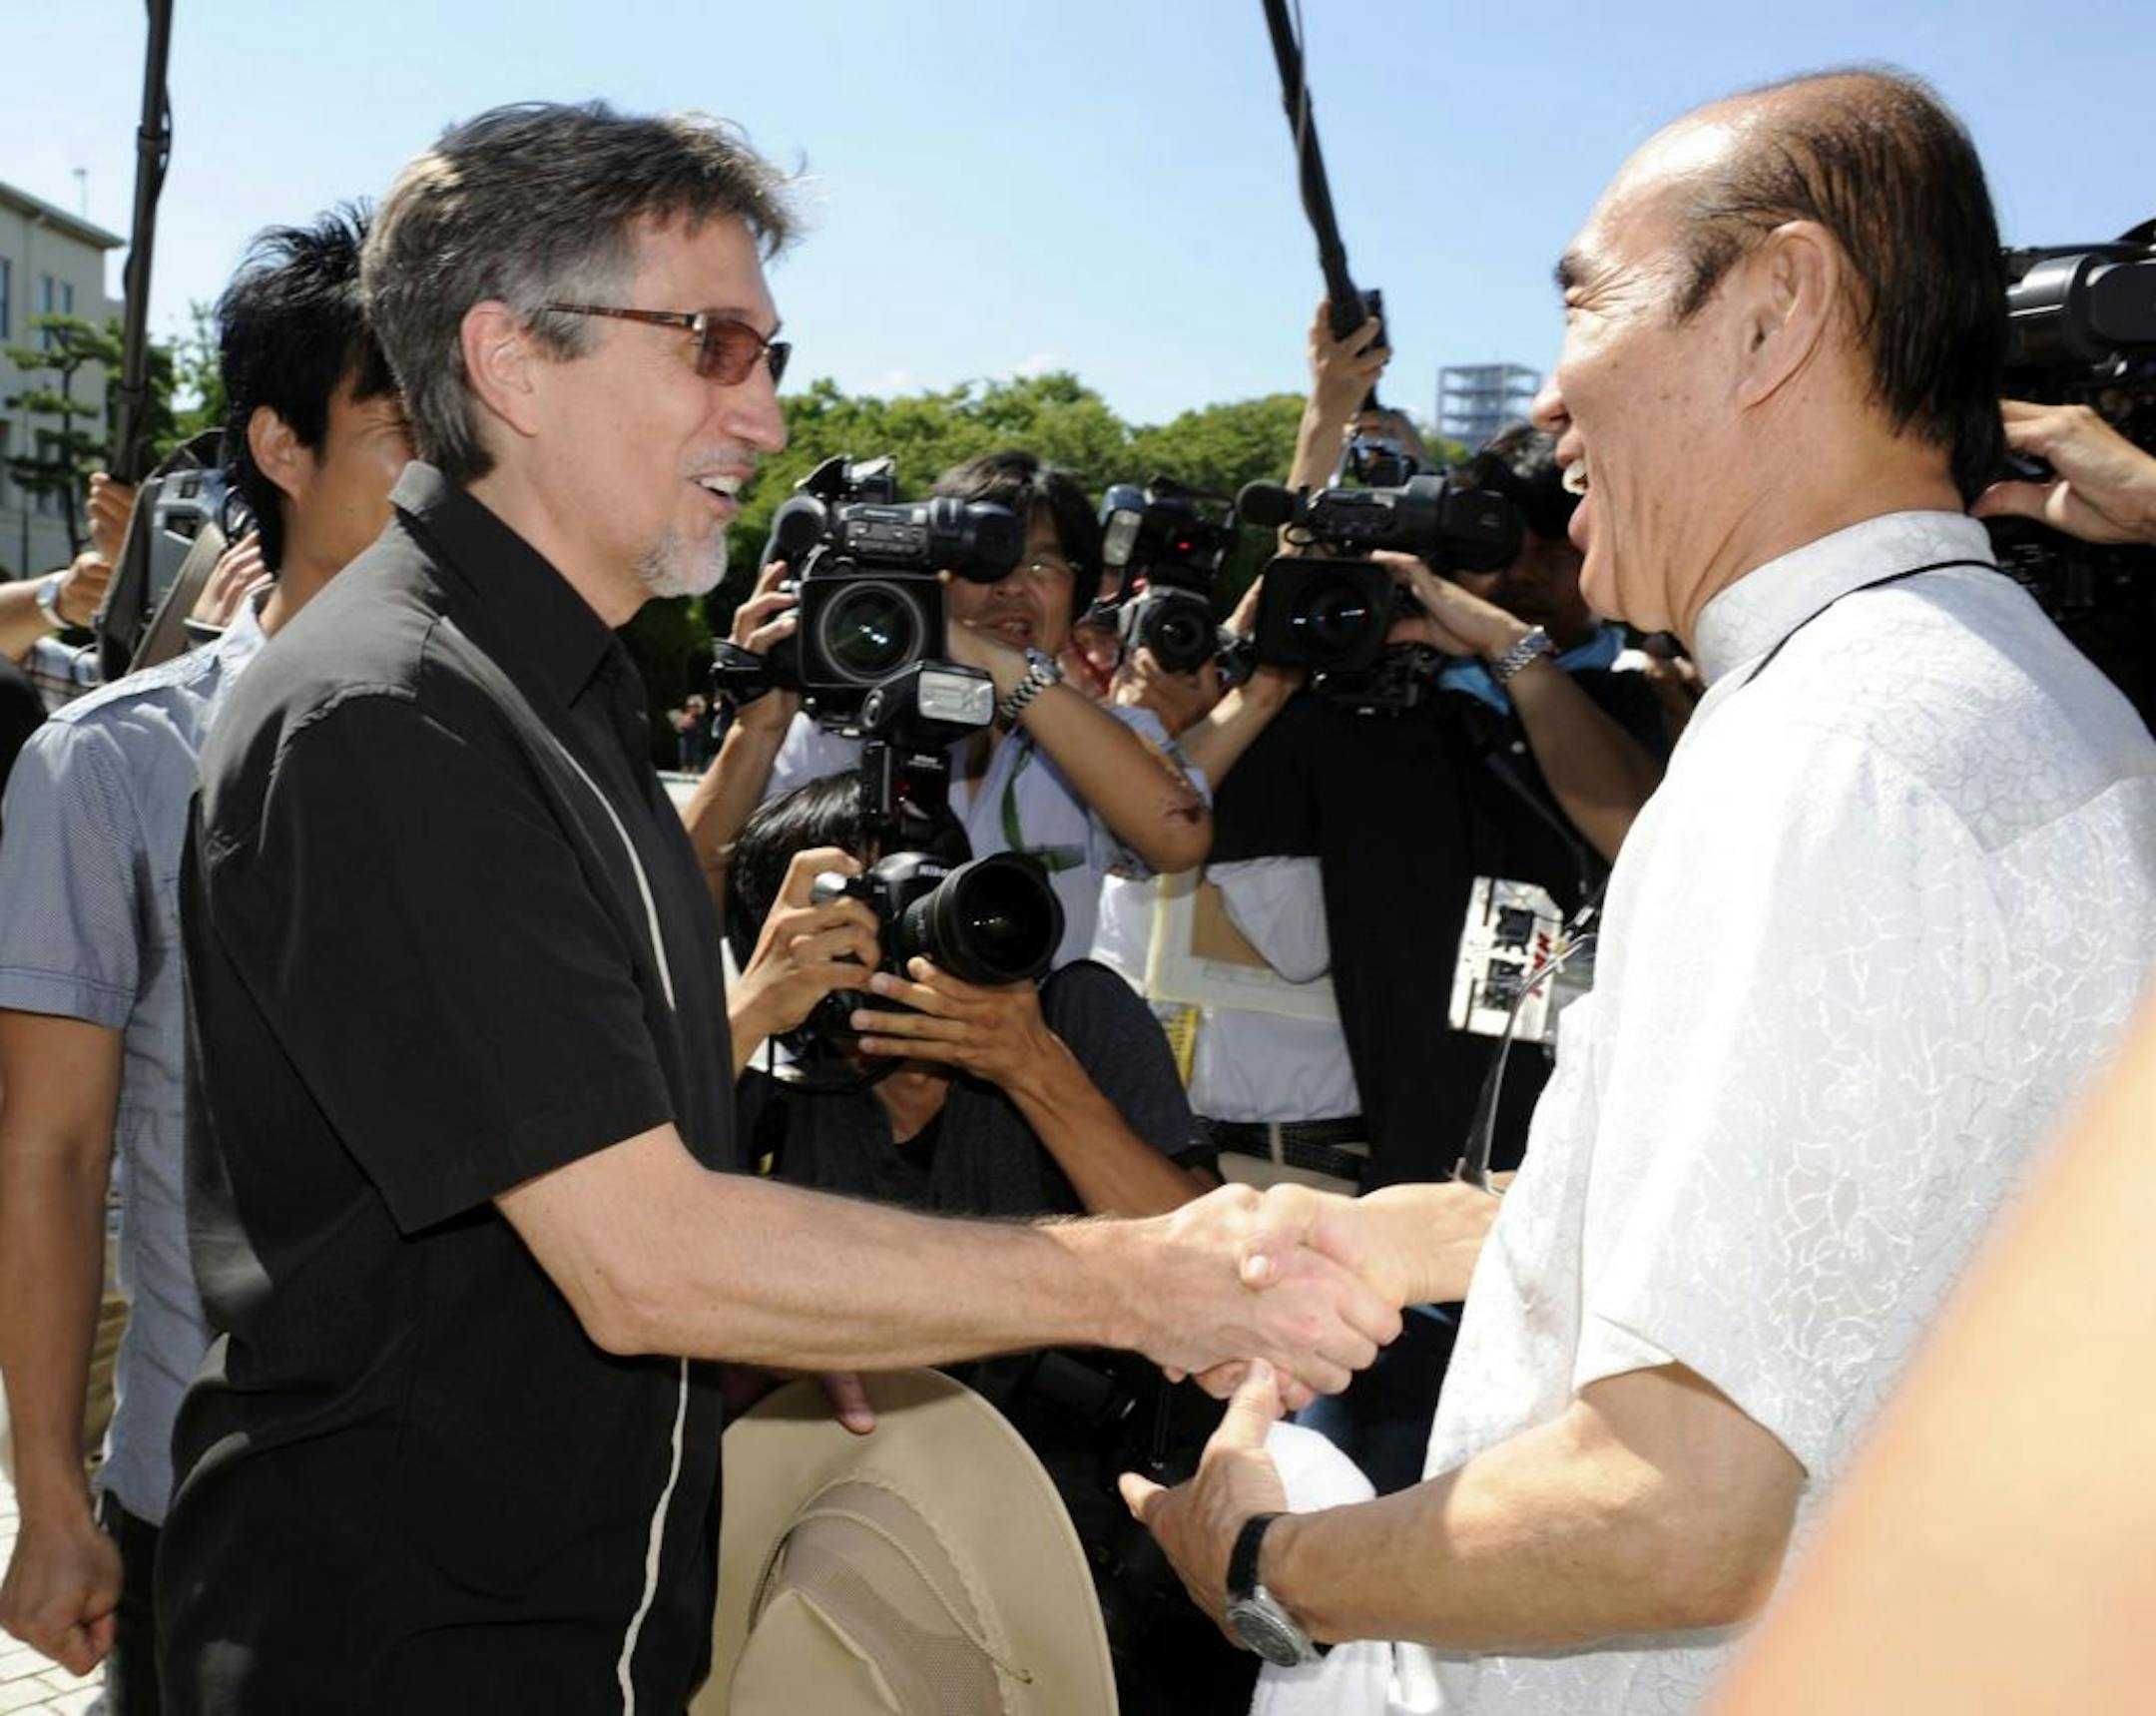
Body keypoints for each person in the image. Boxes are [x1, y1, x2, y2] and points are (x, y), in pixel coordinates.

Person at [158, 101, 1401, 1715]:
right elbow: (643, 1256)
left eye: (772, 352)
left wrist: (826, 1286)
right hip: (404, 1644)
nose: (764, 411)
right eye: (710, 346)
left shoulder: (562, 694)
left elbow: (610, 1200)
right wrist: (1136, 1277)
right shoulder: (392, 716)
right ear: (512, 361)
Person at [1123, 67, 2156, 1715]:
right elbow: (1865, 1225)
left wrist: (1264, 1562)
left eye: (1589, 301)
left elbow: (1677, 1511)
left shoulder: (1827, 758)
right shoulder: (2023, 706)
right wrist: (1430, 1231)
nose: (1543, 402)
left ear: (1772, 315)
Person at [0, 207, 410, 1705]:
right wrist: (48, 1497)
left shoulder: (544, 738)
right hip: (213, 1499)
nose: (450, 480)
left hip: (492, 1536)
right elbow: (49, 1151)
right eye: (401, 428)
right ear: (281, 447)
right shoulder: (110, 766)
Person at [682, 448, 1211, 969]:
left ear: (1080, 593)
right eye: (982, 563)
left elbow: (1178, 839)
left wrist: (997, 665)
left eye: (1040, 563)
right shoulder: (839, 728)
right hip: (852, 1046)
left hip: (1022, 1051)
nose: (1010, 586)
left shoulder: (1106, 743)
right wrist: (758, 725)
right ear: (933, 577)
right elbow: (684, 909)